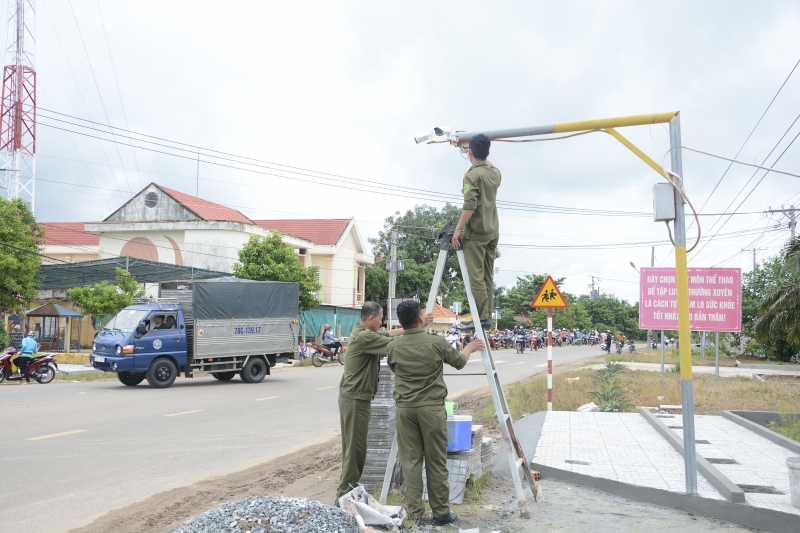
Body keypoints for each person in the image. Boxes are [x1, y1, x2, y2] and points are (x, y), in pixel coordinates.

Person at [387, 300, 485, 525]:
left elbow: (394, 368)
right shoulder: (435, 342)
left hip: (405, 410)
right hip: (431, 409)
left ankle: (415, 515)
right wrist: (469, 348)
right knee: (436, 461)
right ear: (421, 319)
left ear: (401, 322)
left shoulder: (393, 347)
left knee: (410, 462)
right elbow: (459, 362)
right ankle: (441, 513)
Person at [335, 302, 432, 502]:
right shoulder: (363, 338)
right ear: (371, 318)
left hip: (353, 397)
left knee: (353, 450)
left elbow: (385, 335)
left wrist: (415, 326)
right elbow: (392, 343)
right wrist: (416, 328)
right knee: (355, 453)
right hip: (356, 399)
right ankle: (342, 500)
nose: (382, 323)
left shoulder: (362, 333)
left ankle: (347, 496)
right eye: (380, 319)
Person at [452, 134, 501, 332]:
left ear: (470, 152)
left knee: (476, 277)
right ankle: (486, 316)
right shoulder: (494, 173)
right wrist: (472, 151)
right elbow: (489, 164)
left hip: (477, 233)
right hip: (493, 231)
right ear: (488, 152)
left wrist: (457, 230)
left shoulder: (471, 176)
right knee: (488, 276)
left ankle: (481, 317)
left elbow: (469, 206)